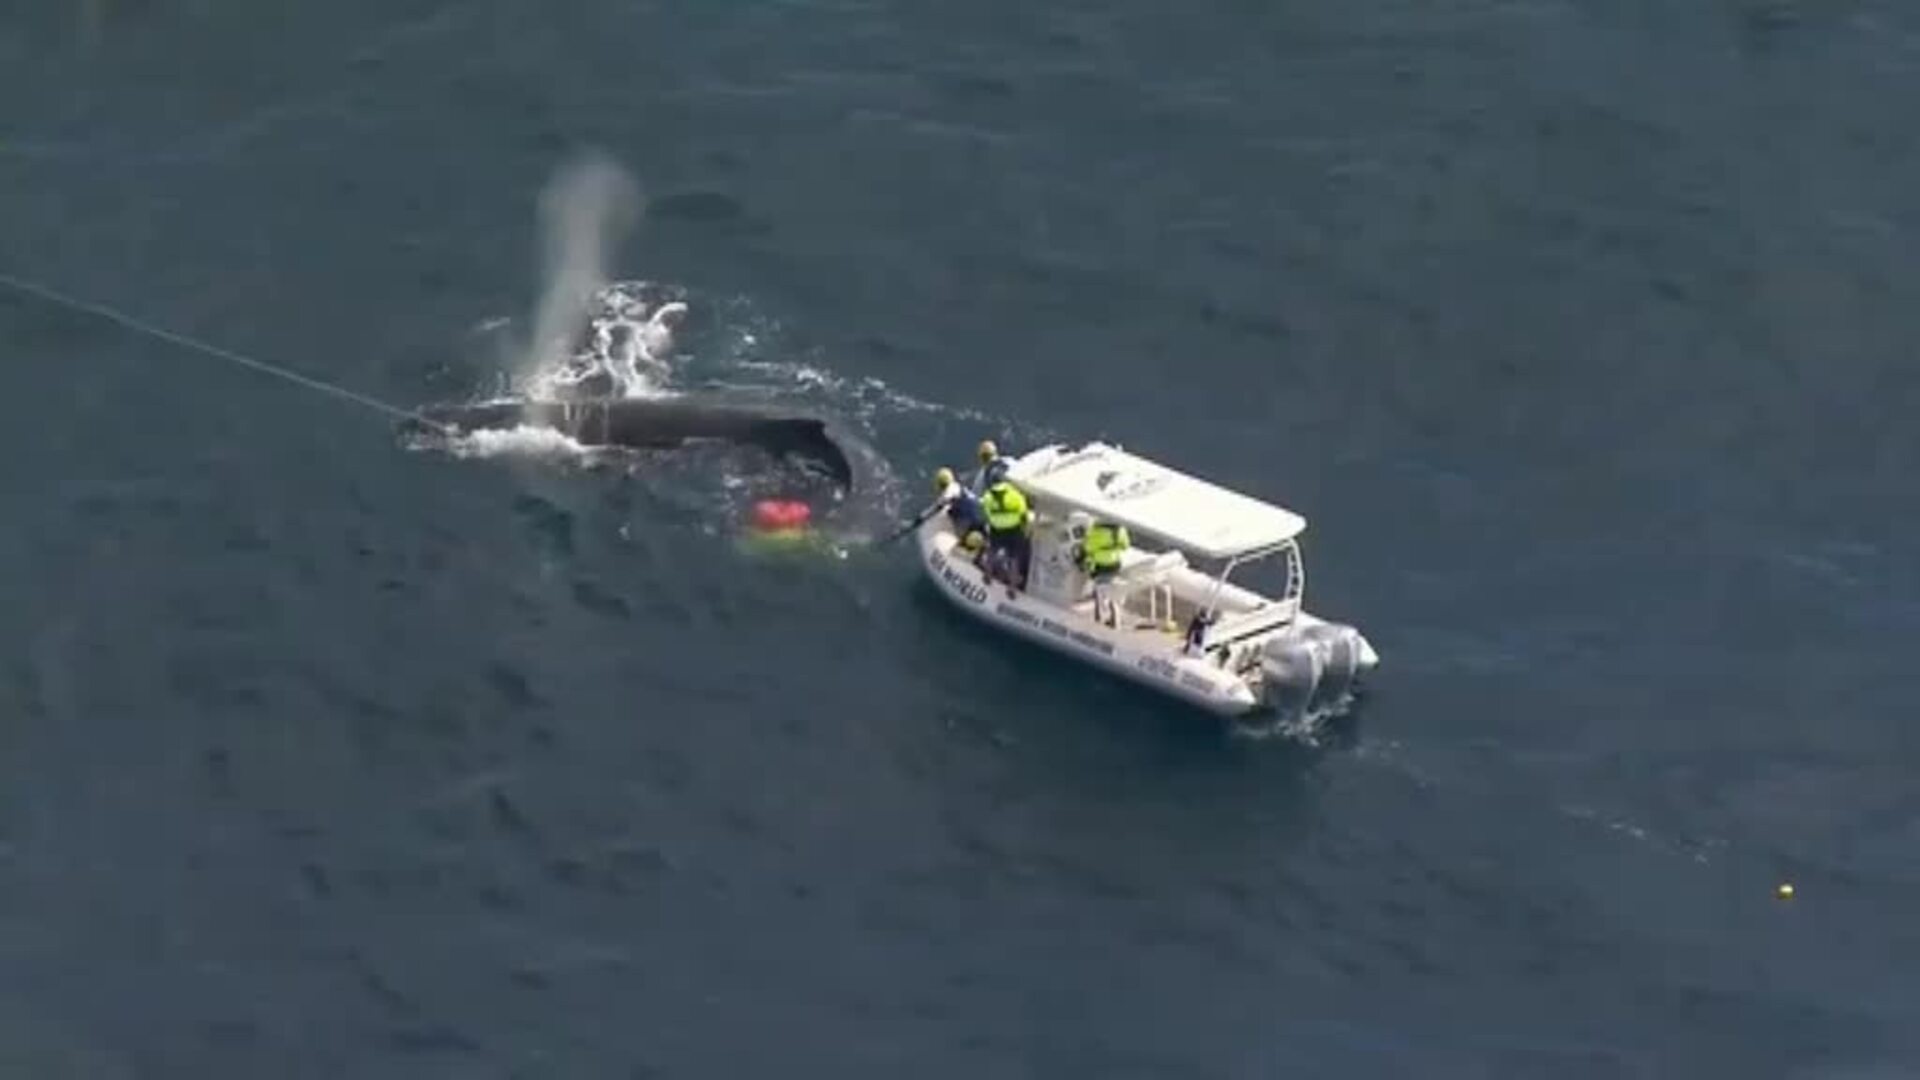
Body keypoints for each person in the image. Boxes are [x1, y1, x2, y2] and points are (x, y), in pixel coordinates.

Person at [980, 457, 1033, 591]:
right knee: (1014, 557)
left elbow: (986, 514)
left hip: (997, 528)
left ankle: (987, 575)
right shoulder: (1016, 496)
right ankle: (1012, 587)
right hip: (1013, 529)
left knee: (992, 551)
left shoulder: (988, 497)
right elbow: (1024, 514)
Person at [1076, 517, 1130, 626]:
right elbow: (1125, 545)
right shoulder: (1120, 530)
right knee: (1111, 592)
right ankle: (1115, 618)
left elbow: (1087, 548)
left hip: (1100, 566)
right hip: (1115, 565)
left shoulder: (1096, 531)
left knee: (1099, 593)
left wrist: (1080, 559)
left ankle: (1099, 619)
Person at [923, 466, 987, 554]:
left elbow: (939, 508)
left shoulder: (947, 495)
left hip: (969, 526)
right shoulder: (960, 488)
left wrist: (922, 517)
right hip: (981, 520)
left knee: (957, 551)